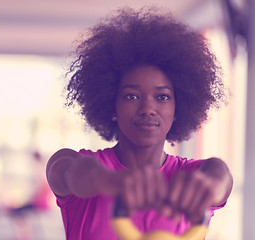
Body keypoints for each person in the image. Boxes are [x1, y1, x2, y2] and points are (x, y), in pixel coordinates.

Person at [46, 6, 233, 240]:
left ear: (178, 109)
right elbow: (64, 170)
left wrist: (206, 184)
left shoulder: (191, 176)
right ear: (111, 105)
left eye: (162, 97)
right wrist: (109, 181)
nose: (147, 109)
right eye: (131, 96)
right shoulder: (88, 167)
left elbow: (220, 177)